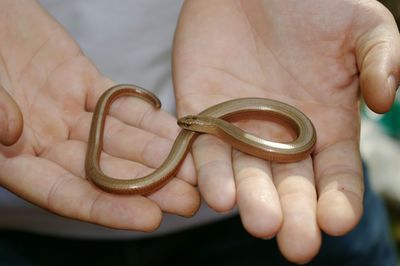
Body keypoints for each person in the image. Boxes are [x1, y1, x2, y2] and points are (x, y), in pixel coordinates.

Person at [0, 0, 398, 265]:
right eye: (190, 124)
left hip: (261, 218)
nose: (186, 124)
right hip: (22, 229)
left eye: (192, 124)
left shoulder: (218, 124)